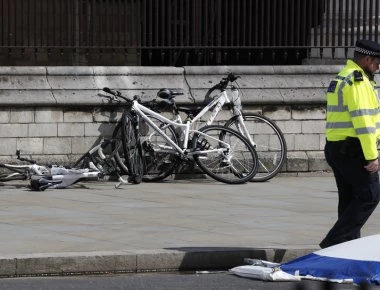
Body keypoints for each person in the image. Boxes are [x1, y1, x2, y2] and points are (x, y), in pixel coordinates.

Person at [320, 39, 380, 249]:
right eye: (376, 63)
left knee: (349, 199)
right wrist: (372, 155)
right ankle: (335, 240)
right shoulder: (358, 81)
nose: (378, 67)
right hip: (353, 148)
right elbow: (363, 121)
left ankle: (346, 247)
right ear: (366, 59)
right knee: (371, 195)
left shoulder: (343, 76)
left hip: (337, 147)